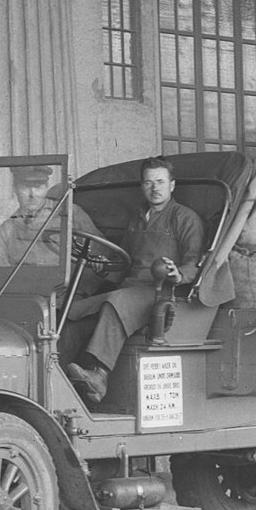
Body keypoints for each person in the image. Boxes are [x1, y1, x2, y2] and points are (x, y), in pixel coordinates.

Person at [56, 157, 205, 405]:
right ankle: (58, 378)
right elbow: (124, 262)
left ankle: (99, 376)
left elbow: (194, 262)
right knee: (71, 313)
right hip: (130, 289)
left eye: (160, 182)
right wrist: (102, 268)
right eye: (148, 182)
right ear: (142, 186)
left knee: (115, 301)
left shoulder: (185, 218)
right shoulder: (137, 220)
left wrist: (178, 274)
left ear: (172, 185)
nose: (154, 188)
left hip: (162, 292)